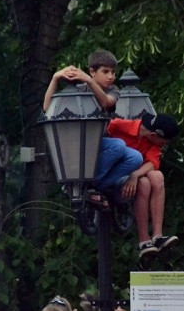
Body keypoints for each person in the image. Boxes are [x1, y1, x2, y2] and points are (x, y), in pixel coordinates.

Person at [42, 50, 143, 201]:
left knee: (135, 158)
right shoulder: (80, 90)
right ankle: (88, 183)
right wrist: (55, 78)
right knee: (118, 146)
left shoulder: (113, 90)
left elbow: (106, 102)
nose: (111, 76)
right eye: (105, 72)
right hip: (79, 145)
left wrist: (89, 80)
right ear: (92, 72)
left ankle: (95, 185)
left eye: (113, 72)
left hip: (98, 144)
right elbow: (47, 108)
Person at [106, 112, 179, 259]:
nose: (163, 146)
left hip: (133, 177)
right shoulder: (119, 125)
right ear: (153, 135)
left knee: (157, 177)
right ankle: (144, 239)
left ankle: (157, 237)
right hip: (114, 175)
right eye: (163, 142)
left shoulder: (153, 141)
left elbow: (153, 163)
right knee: (144, 183)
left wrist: (135, 175)